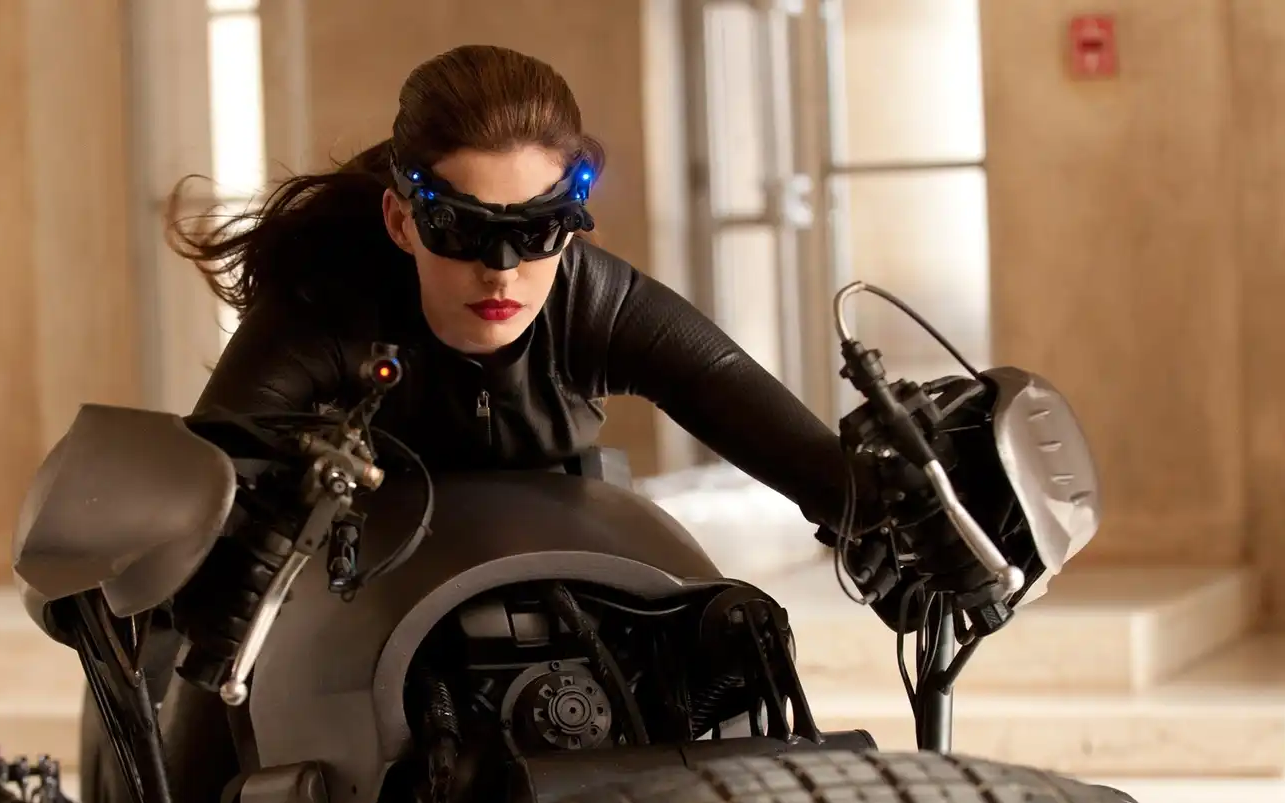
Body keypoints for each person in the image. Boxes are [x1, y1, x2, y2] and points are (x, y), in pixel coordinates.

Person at [172, 43, 871, 534]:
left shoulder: (595, 302)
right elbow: (195, 493)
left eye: (538, 229)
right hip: (361, 576)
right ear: (401, 222)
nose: (502, 269)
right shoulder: (325, 303)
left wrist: (886, 505)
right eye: (460, 228)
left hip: (564, 553)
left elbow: (813, 465)